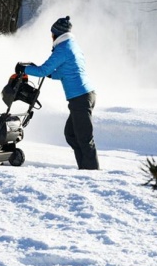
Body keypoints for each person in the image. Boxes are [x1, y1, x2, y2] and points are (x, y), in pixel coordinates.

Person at [16, 15, 99, 170]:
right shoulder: (72, 45)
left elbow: (42, 70)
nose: (51, 36)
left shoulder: (62, 49)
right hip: (85, 95)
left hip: (80, 98)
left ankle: (92, 173)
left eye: (52, 33)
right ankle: (85, 169)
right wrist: (48, 73)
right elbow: (64, 71)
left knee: (84, 139)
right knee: (71, 135)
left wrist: (23, 69)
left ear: (57, 34)